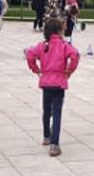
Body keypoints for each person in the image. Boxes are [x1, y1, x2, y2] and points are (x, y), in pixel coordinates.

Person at [26, 18, 80, 157]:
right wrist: (69, 70)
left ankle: (46, 136)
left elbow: (29, 54)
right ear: (60, 31)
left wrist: (36, 69)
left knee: (46, 110)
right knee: (57, 113)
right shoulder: (64, 45)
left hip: (46, 82)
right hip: (59, 82)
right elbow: (75, 55)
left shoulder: (43, 45)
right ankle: (54, 144)